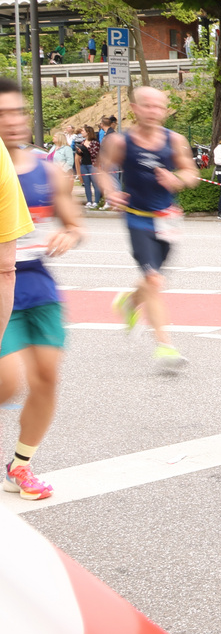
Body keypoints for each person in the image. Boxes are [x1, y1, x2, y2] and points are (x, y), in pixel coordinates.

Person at [0, 77, 84, 500]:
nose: (13, 121)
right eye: (2, 115)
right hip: (1, 284)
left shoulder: (47, 170)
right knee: (7, 383)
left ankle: (20, 465)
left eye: (17, 112)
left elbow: (73, 223)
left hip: (39, 284)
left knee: (47, 377)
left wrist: (69, 235)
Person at [95, 85, 198, 370]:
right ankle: (165, 346)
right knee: (153, 280)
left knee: (154, 279)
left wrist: (178, 179)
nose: (153, 111)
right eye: (147, 106)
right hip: (137, 216)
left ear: (165, 110)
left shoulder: (174, 140)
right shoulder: (120, 141)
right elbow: (102, 170)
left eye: (159, 106)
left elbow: (192, 173)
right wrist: (110, 191)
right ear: (134, 109)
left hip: (167, 218)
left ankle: (129, 303)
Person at [76, 124, 103, 210]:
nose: (82, 133)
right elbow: (81, 154)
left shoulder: (95, 142)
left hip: (92, 164)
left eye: (83, 131)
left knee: (95, 183)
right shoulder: (82, 142)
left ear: (88, 132)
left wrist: (87, 147)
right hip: (84, 164)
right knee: (86, 183)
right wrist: (80, 151)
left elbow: (95, 153)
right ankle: (89, 200)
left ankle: (96, 201)